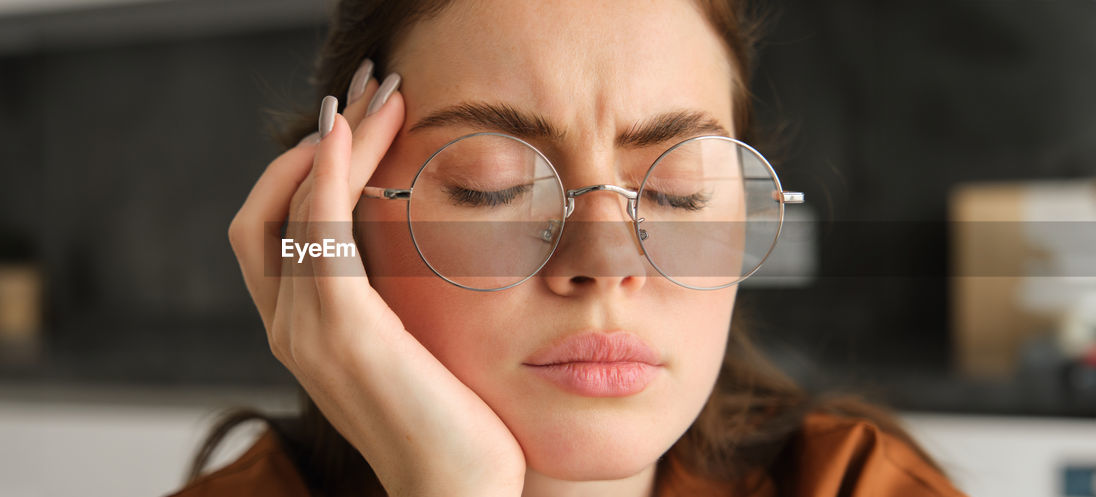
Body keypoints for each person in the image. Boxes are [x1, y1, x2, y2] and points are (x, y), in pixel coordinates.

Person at [170, 1, 969, 496]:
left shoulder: (857, 486)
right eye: (493, 184)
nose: (607, 260)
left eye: (677, 188)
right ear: (336, 220)